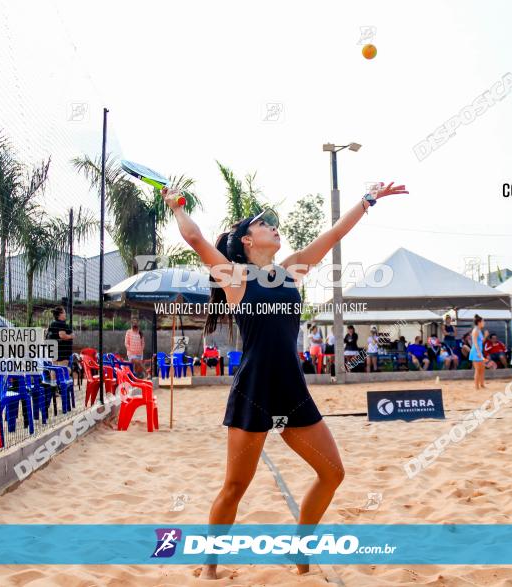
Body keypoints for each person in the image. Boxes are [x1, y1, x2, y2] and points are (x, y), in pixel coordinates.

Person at [165, 179, 407, 578]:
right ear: (246, 240)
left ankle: (301, 548)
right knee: (234, 488)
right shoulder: (235, 278)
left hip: (291, 387)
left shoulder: (290, 271)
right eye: (265, 224)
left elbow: (334, 234)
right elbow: (194, 237)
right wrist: (176, 205)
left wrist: (368, 199)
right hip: (255, 389)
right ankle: (209, 566)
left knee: (333, 473)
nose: (274, 227)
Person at [468, 315, 487, 390]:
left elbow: (481, 342)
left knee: (482, 369)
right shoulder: (475, 330)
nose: (484, 323)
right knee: (478, 369)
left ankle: (482, 384)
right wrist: (479, 352)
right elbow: (475, 343)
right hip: (476, 351)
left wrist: (485, 336)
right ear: (479, 322)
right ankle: (476, 387)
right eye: (483, 321)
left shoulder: (479, 330)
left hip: (479, 351)